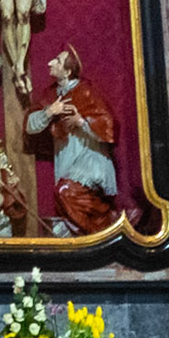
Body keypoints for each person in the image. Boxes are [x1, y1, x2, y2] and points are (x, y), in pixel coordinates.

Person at [26, 46, 120, 235]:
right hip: (66, 155)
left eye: (57, 61)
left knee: (66, 192)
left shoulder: (85, 92)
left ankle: (104, 224)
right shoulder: (51, 95)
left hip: (89, 156)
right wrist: (49, 112)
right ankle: (98, 227)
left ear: (68, 71)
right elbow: (30, 125)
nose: (50, 63)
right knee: (66, 197)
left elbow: (107, 125)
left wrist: (81, 122)